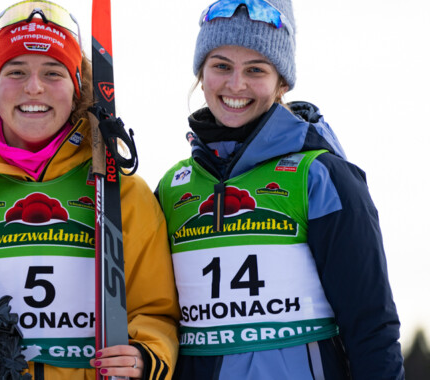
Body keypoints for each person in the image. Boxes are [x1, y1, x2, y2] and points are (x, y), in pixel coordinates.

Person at [0, 1, 179, 379]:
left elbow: (155, 313)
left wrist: (146, 357)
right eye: (16, 72)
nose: (34, 87)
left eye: (53, 72)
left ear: (77, 90)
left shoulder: (122, 192)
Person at [155, 0, 404, 378]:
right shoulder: (172, 189)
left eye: (256, 70)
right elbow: (157, 318)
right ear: (201, 74)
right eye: (221, 66)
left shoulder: (320, 177)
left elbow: (371, 326)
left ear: (281, 82)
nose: (236, 84)